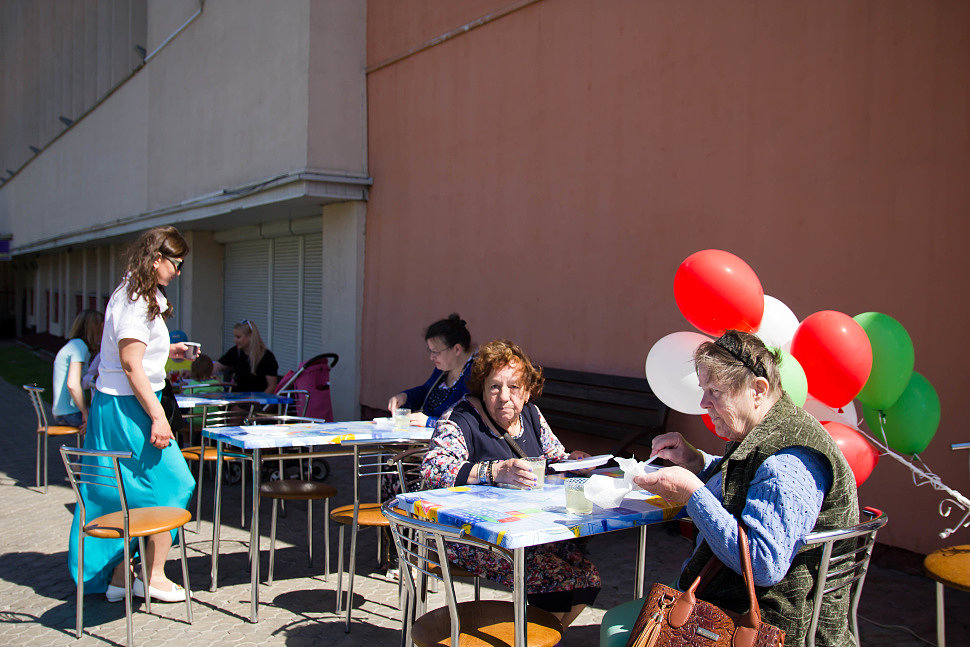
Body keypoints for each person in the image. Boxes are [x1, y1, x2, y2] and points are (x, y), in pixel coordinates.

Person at [602, 330, 859, 647]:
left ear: (758, 389)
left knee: (621, 632)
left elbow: (763, 564)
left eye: (715, 391)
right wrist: (696, 461)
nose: (703, 403)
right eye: (703, 390)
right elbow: (749, 483)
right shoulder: (771, 429)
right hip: (733, 602)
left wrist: (692, 495)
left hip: (766, 626)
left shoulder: (789, 460)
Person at [420, 339, 600, 628]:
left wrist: (574, 461)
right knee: (560, 579)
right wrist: (494, 471)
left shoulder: (531, 415)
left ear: (527, 392)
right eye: (494, 386)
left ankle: (541, 639)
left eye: (514, 386)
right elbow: (433, 470)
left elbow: (555, 458)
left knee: (588, 578)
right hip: (473, 537)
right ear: (482, 389)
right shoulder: (461, 419)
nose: (504, 396)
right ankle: (529, 639)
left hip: (528, 533)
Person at [67, 225, 196, 604]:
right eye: (176, 263)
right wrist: (158, 416)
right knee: (174, 485)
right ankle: (151, 577)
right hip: (130, 407)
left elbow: (130, 353)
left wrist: (170, 351)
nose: (178, 271)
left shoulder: (136, 293)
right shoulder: (137, 299)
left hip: (122, 404)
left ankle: (121, 577)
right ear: (156, 259)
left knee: (125, 493)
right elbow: (129, 363)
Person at [387, 313, 475, 427]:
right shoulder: (443, 369)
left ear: (457, 349)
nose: (431, 357)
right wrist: (405, 397)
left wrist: (430, 422)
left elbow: (466, 421)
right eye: (430, 351)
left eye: (436, 352)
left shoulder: (473, 375)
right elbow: (426, 391)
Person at [52, 309, 103, 431]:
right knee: (105, 423)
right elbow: (73, 384)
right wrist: (85, 413)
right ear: (95, 328)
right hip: (69, 413)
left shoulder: (74, 344)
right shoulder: (79, 347)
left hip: (62, 412)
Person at [213, 319, 278, 393]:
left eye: (238, 337)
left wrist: (260, 399)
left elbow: (272, 386)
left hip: (257, 397)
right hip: (237, 397)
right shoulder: (235, 352)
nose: (235, 340)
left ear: (250, 336)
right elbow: (215, 367)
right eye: (234, 337)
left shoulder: (267, 357)